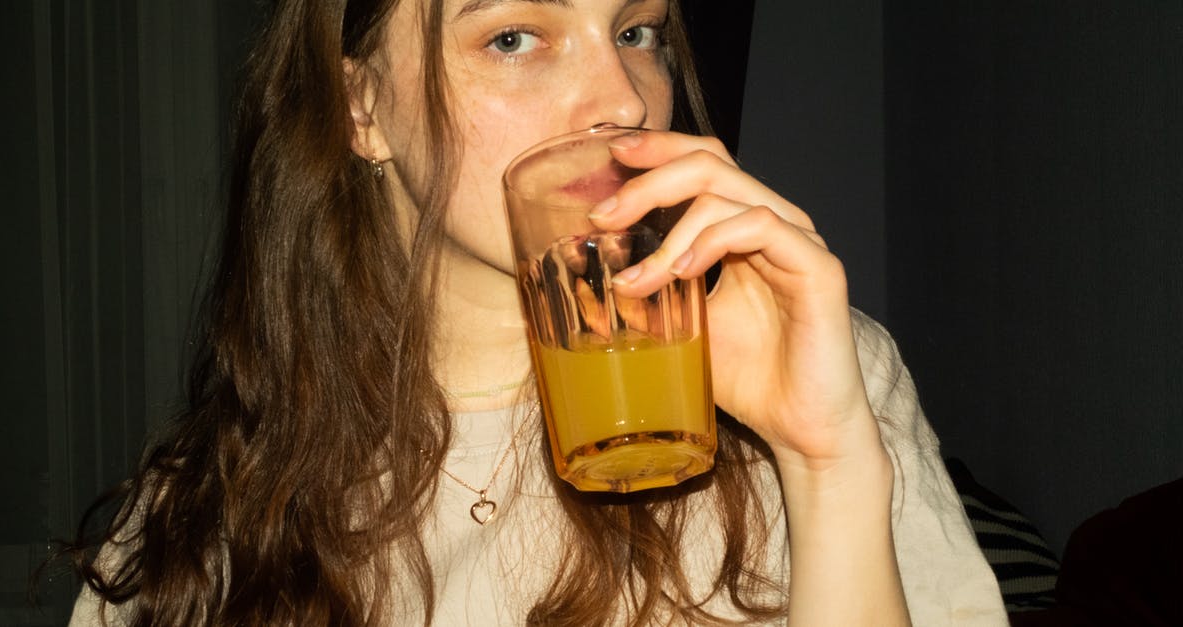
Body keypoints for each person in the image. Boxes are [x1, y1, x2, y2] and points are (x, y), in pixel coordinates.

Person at [68, 0, 1006, 625]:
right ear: (362, 106)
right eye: (514, 36)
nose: (624, 100)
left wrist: (824, 462)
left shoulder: (822, 372)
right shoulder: (190, 524)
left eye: (637, 30)